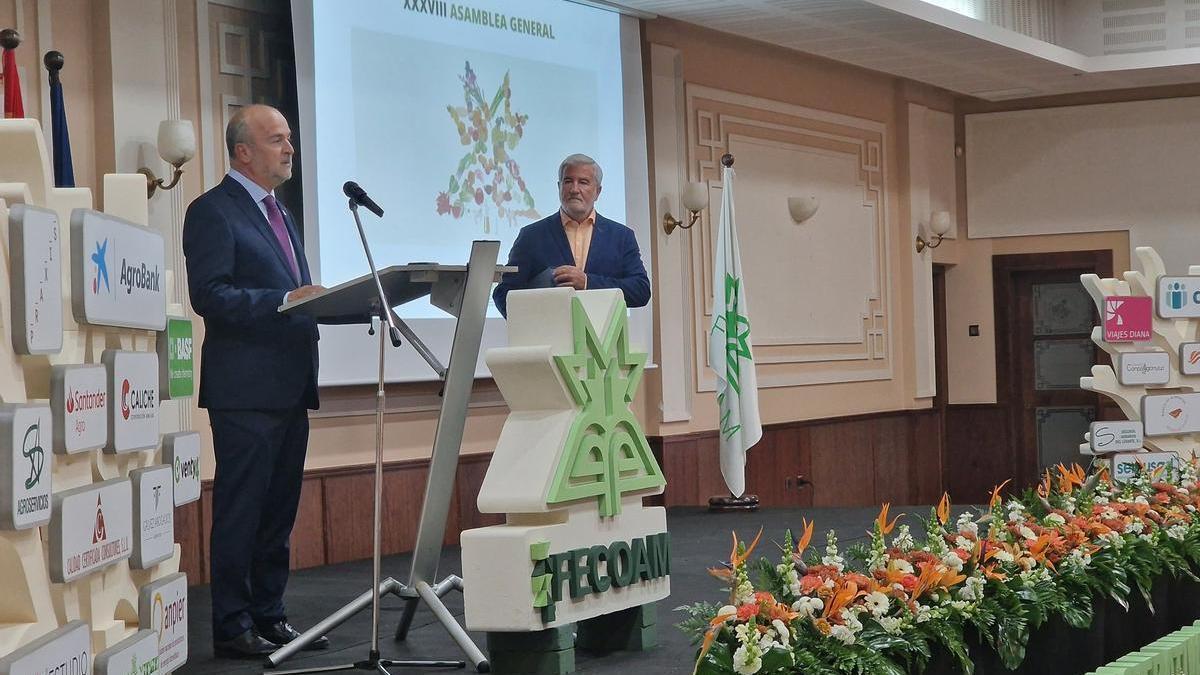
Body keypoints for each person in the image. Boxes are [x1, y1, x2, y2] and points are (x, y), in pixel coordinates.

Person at [183, 104, 329, 658]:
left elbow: (299, 293)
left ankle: (270, 614)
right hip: (245, 391)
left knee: (277, 513)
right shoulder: (212, 212)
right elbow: (211, 296)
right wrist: (283, 300)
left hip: (292, 385)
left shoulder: (282, 215)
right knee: (243, 511)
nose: (289, 148)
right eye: (277, 139)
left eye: (289, 138)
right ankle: (232, 623)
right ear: (243, 151)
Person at [492, 153, 650, 317]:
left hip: (604, 339)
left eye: (583, 182)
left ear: (598, 191)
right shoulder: (531, 236)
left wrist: (587, 282)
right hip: (549, 338)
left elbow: (641, 290)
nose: (575, 189)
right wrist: (528, 325)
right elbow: (504, 293)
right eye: (568, 181)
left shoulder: (621, 237)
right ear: (559, 187)